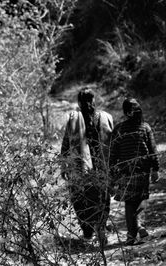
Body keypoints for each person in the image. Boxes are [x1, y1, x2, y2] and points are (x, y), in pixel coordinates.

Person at [60, 88, 113, 246]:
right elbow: (113, 143)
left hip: (80, 168)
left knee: (81, 199)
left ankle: (88, 232)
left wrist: (64, 166)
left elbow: (66, 144)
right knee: (102, 198)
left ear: (78, 102)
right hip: (102, 167)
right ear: (94, 100)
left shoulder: (73, 118)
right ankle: (101, 227)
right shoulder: (106, 117)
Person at [109, 98, 160, 245]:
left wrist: (112, 172)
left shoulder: (119, 129)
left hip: (126, 171)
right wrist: (155, 168)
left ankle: (132, 234)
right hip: (141, 170)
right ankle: (137, 227)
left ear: (125, 113)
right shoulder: (145, 127)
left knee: (130, 202)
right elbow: (152, 150)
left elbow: (113, 153)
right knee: (138, 200)